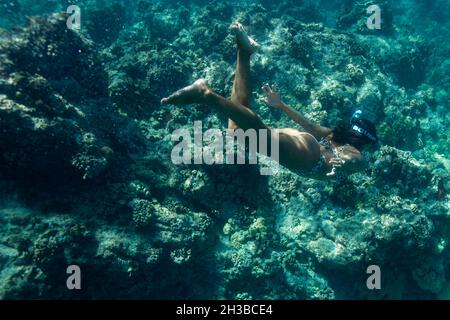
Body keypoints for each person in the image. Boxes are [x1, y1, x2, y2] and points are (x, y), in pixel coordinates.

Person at [161, 22, 378, 179]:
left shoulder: (332, 135)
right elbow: (352, 160)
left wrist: (280, 105)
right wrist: (339, 159)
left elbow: (308, 126)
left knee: (238, 130)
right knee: (254, 135)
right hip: (305, 157)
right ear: (364, 141)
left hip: (302, 145)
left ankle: (244, 52)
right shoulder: (357, 155)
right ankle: (205, 95)